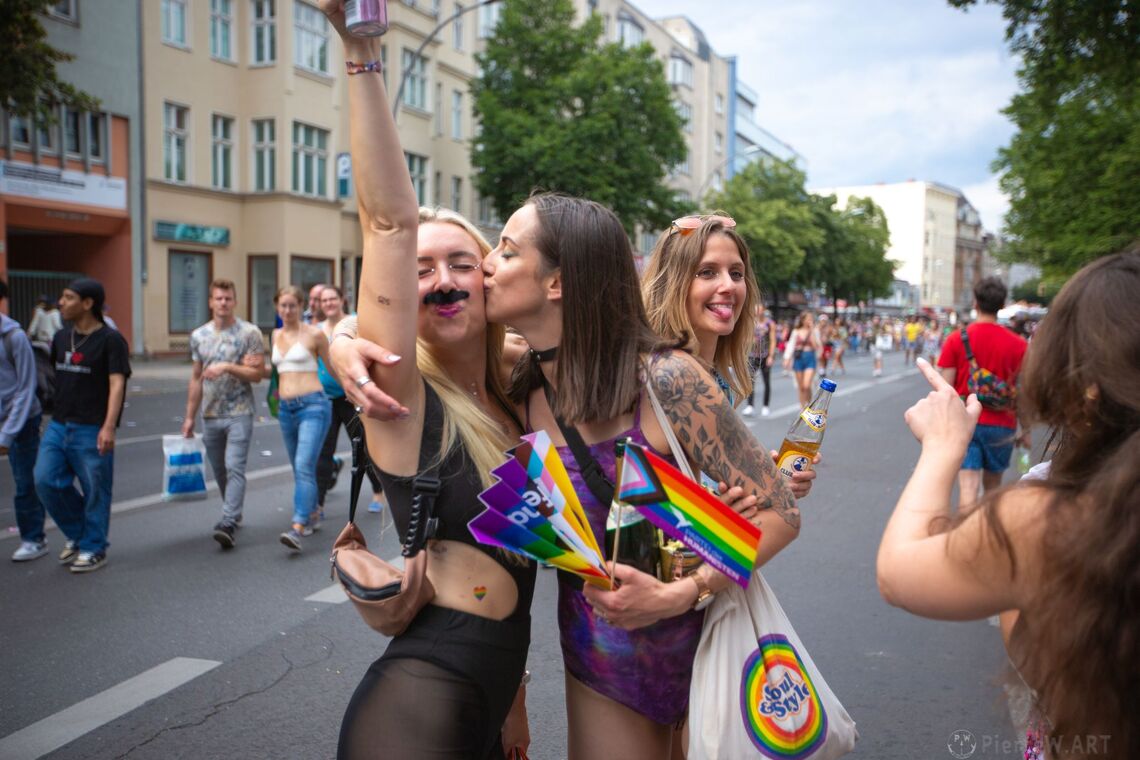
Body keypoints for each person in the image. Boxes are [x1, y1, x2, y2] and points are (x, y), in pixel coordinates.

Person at [478, 192, 800, 760]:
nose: (486, 265)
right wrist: (345, 342)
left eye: (505, 251)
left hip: (703, 648)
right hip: (601, 660)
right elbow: (406, 341)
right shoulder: (518, 382)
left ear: (557, 282)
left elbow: (780, 515)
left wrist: (682, 592)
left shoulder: (666, 378)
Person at [322, 5, 536, 756]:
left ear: (492, 281)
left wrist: (514, 709)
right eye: (420, 272)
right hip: (416, 707)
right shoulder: (406, 397)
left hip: (488, 701)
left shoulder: (521, 393)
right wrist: (361, 50)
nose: (441, 280)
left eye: (460, 264)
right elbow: (387, 223)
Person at [877, 250, 1140, 758]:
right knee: (993, 490)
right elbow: (1018, 393)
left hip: (972, 425)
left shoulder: (1049, 519)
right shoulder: (1014, 343)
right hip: (1003, 428)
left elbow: (897, 574)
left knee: (976, 495)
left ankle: (980, 555)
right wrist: (1019, 427)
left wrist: (941, 446)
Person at [34, 278, 130, 573]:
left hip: (92, 427)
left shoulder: (111, 340)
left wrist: (109, 426)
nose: (61, 303)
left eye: (68, 297)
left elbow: (117, 384)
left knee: (95, 491)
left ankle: (93, 547)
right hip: (60, 424)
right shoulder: (61, 337)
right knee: (45, 479)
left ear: (88, 304)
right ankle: (80, 534)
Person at [641, 212, 759, 408]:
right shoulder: (671, 377)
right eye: (707, 272)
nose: (729, 285)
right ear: (670, 285)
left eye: (736, 273)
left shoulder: (719, 379)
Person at [181, 279, 266, 549]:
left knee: (234, 465)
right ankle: (233, 510)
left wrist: (228, 366)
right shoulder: (199, 336)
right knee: (219, 469)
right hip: (210, 413)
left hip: (239, 411)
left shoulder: (249, 333)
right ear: (210, 302)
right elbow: (196, 378)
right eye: (218, 298)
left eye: (228, 298)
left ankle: (228, 521)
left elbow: (256, 375)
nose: (223, 303)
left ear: (235, 301)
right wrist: (189, 417)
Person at [936, 277, 1028, 513]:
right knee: (992, 489)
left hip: (966, 422)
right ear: (1002, 304)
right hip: (1003, 425)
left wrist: (943, 425)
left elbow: (945, 388)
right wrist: (1025, 430)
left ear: (975, 302)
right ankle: (985, 540)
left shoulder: (957, 338)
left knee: (968, 487)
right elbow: (1023, 391)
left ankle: (966, 541)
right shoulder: (1019, 344)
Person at [269, 285, 333, 551]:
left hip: (313, 406)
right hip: (286, 409)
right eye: (283, 305)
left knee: (304, 464)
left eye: (292, 305)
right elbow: (277, 372)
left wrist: (358, 393)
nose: (287, 310)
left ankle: (298, 525)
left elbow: (333, 368)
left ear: (301, 306)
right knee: (299, 468)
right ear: (277, 308)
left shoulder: (315, 335)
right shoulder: (274, 334)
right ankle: (314, 511)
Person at [314, 285, 384, 515]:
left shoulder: (355, 324)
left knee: (363, 447)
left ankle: (377, 493)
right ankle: (319, 503)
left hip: (351, 397)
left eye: (333, 299)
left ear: (341, 299)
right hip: (326, 399)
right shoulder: (316, 330)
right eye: (324, 301)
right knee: (324, 452)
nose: (329, 304)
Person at [2, 279, 47, 561]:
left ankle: (34, 539)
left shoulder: (14, 337)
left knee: (24, 482)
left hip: (21, 420)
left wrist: (7, 434)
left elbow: (25, 389)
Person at [783, 311, 821, 407]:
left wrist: (811, 330)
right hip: (798, 359)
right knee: (801, 387)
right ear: (802, 320)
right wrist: (787, 359)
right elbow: (791, 345)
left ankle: (810, 406)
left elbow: (816, 346)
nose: (810, 321)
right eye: (808, 319)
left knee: (807, 385)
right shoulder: (796, 331)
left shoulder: (814, 331)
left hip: (810, 358)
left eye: (811, 319)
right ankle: (802, 407)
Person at [744, 307, 777, 416]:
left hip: (765, 355)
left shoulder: (770, 324)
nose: (757, 312)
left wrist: (771, 356)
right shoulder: (750, 323)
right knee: (750, 380)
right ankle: (750, 406)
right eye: (755, 309)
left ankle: (765, 406)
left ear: (763, 311)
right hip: (752, 356)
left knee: (766, 381)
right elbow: (746, 338)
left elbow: (773, 340)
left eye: (759, 309)